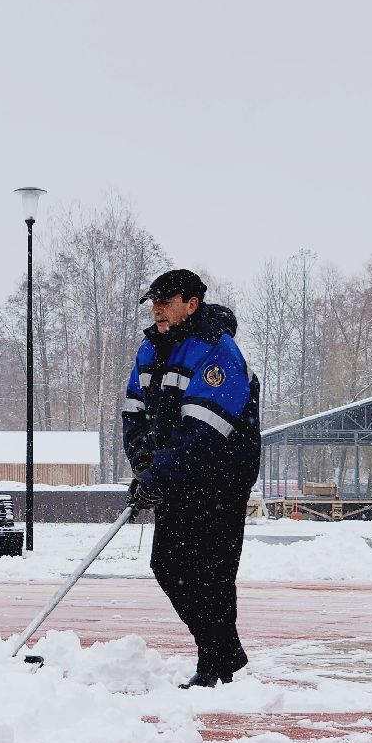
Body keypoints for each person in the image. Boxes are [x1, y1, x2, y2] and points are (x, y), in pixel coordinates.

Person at [123, 269, 262, 689]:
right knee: (167, 565)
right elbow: (134, 416)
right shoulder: (150, 351)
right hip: (178, 478)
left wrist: (160, 473)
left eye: (166, 301)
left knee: (212, 574)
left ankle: (216, 665)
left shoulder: (218, 352)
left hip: (221, 480)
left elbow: (204, 431)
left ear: (192, 304)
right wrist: (146, 466)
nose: (157, 309)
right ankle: (225, 656)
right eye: (154, 302)